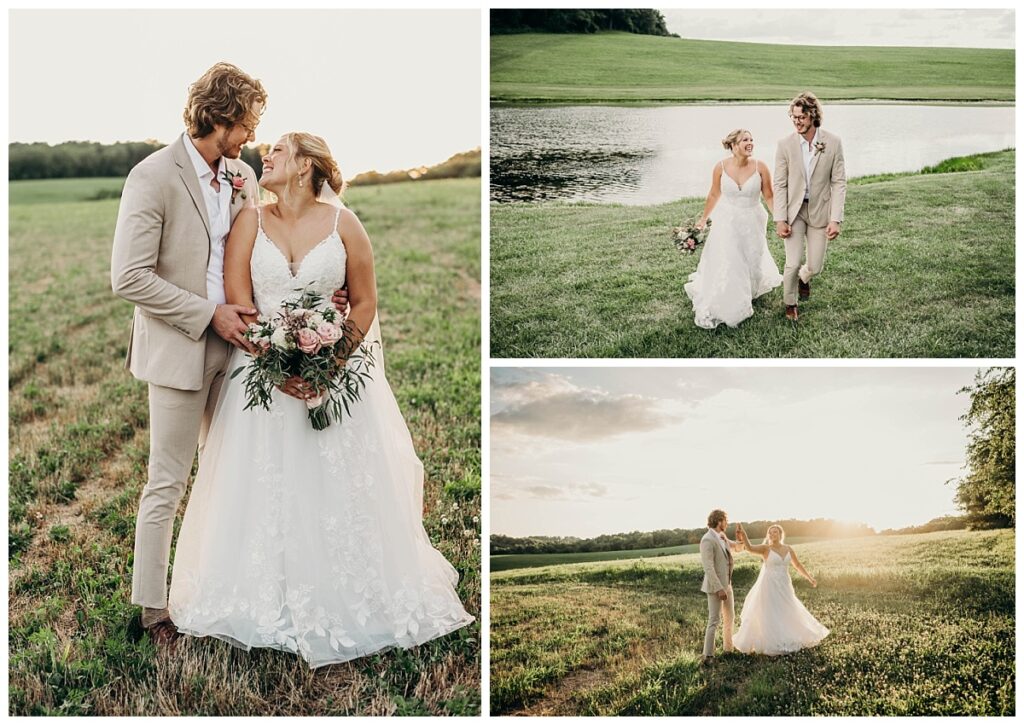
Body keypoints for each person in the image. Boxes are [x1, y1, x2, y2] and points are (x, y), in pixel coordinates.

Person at [167, 132, 474, 668]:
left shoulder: (345, 224)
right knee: (259, 486)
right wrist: (278, 365)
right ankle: (261, 590)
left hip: (333, 374)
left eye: (280, 150)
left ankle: (348, 586)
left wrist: (329, 361)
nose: (268, 155)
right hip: (259, 374)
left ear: (307, 165)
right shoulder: (250, 221)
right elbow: (241, 303)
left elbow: (364, 301)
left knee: (338, 483)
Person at [684, 129, 782, 329]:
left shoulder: (760, 167)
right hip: (727, 220)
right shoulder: (720, 167)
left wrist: (779, 219)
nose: (751, 143)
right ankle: (731, 298)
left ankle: (750, 289)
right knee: (730, 258)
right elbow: (713, 194)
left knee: (751, 258)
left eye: (752, 139)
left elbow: (769, 196)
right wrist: (703, 219)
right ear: (733, 145)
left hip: (753, 220)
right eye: (745, 140)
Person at [773, 91, 847, 322]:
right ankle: (790, 303)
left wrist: (835, 218)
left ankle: (805, 278)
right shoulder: (784, 144)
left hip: (819, 211)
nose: (796, 122)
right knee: (792, 262)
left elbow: (838, 181)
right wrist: (779, 218)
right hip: (794, 212)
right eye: (793, 117)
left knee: (815, 265)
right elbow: (780, 183)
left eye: (801, 118)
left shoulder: (833, 142)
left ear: (813, 117)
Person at [732, 524, 829, 655]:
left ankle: (789, 634)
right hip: (769, 585)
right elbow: (749, 548)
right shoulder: (766, 549)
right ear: (768, 535)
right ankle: (773, 640)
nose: (773, 534)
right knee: (771, 611)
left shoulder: (788, 549)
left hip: (784, 584)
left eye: (775, 532)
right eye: (770, 533)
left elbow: (797, 565)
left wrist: (809, 578)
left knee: (787, 607)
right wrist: (743, 534)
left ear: (781, 534)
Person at [699, 509, 746, 663]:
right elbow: (709, 568)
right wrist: (719, 588)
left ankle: (728, 649)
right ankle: (708, 656)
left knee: (729, 618)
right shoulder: (707, 539)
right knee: (714, 620)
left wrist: (740, 538)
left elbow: (738, 548)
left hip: (728, 585)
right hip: (715, 587)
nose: (727, 523)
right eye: (726, 520)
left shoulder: (722, 536)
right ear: (719, 521)